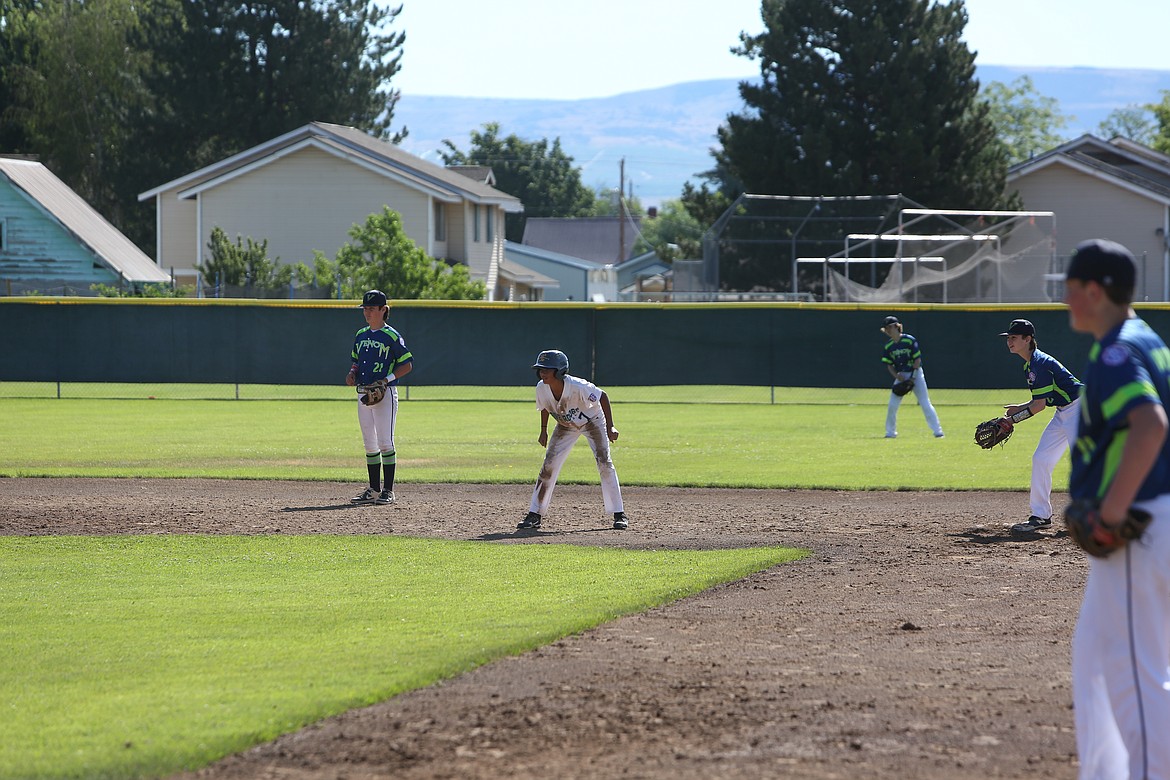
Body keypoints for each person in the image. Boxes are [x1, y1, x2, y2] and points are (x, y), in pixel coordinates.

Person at [1063, 238, 1170, 779]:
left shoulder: (1117, 352)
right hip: (1155, 520)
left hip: (1138, 528)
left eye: (1071, 288)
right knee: (1096, 659)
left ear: (1095, 290)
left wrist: (1109, 516)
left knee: (1137, 674)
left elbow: (1150, 427)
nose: (1065, 300)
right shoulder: (1145, 339)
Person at [518, 349, 629, 531]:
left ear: (560, 371)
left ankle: (619, 514)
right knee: (549, 465)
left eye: (547, 369)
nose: (542, 373)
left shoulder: (578, 386)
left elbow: (602, 396)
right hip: (565, 425)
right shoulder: (541, 387)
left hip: (592, 421)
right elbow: (545, 407)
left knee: (604, 462)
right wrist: (543, 430)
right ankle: (534, 514)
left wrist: (610, 426)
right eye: (540, 369)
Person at [996, 318, 1083, 534]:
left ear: (1028, 339)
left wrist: (1011, 420)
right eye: (1009, 338)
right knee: (1041, 459)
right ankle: (1041, 515)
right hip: (1064, 412)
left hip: (1082, 411)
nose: (1010, 341)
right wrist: (1019, 408)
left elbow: (1039, 407)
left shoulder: (1039, 364)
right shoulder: (1030, 364)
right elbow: (1038, 402)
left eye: (1014, 337)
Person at [345, 289, 413, 505]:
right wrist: (352, 372)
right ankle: (374, 490)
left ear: (383, 310)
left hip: (385, 393)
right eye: (365, 308)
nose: (367, 312)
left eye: (371, 308)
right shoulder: (360, 335)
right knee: (369, 444)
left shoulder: (391, 336)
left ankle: (389, 491)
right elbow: (356, 360)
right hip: (364, 393)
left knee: (385, 442)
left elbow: (407, 364)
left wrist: (387, 379)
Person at [879, 315, 944, 439]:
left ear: (896, 326)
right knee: (892, 404)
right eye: (886, 328)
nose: (887, 330)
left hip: (916, 373)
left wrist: (913, 378)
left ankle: (938, 431)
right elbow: (889, 365)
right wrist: (897, 376)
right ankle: (890, 432)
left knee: (925, 403)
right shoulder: (888, 346)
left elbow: (917, 359)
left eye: (889, 327)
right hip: (902, 375)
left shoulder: (909, 340)